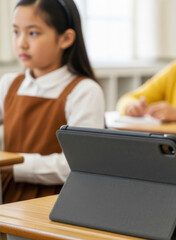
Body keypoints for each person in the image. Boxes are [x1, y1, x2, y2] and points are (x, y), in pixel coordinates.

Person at [0, 0, 105, 203]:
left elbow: (79, 165)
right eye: (16, 32)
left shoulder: (84, 91)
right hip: (9, 200)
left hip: (56, 203)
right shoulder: (9, 83)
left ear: (65, 38)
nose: (21, 42)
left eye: (33, 33)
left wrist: (13, 165)